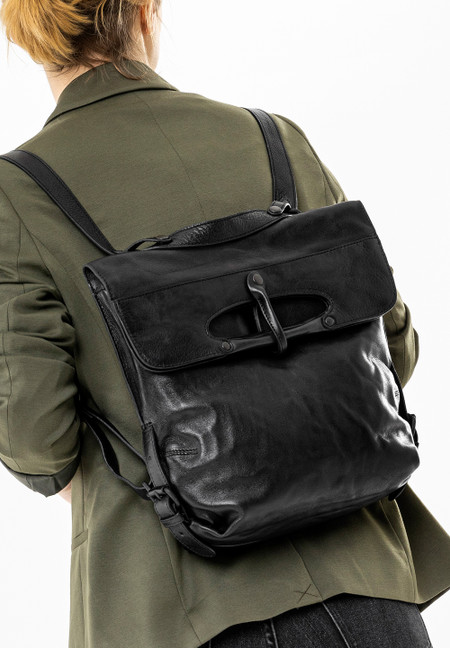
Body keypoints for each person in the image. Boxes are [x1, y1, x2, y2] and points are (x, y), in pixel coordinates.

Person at [0, 1, 449, 647]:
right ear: (146, 13)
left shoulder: (16, 193)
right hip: (364, 580)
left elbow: (37, 440)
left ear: (29, 38)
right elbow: (391, 346)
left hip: (179, 605)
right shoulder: (275, 139)